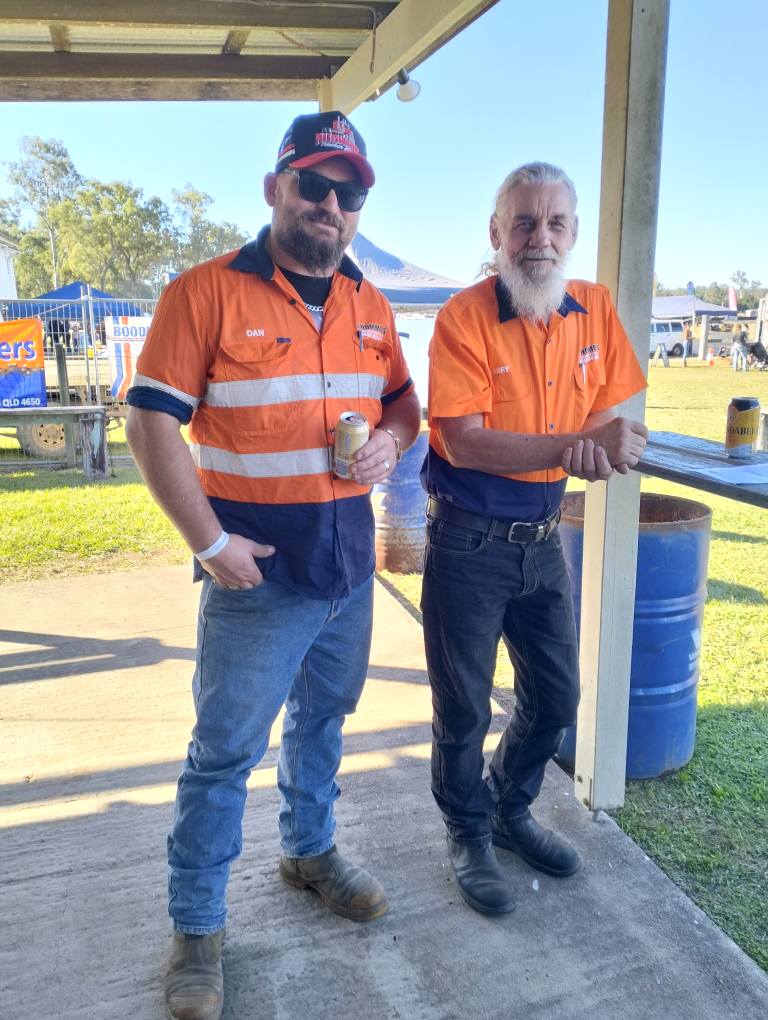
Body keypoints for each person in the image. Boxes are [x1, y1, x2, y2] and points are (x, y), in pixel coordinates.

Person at [125, 110, 421, 1020]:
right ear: (276, 190)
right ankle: (198, 928)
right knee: (222, 758)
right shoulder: (205, 292)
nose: (331, 205)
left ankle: (309, 850)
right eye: (315, 186)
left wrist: (389, 447)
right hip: (258, 583)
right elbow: (149, 422)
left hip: (347, 572)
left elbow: (406, 408)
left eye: (350, 193)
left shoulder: (372, 305)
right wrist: (210, 545)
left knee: (325, 723)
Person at [420, 162, 648, 916]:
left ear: (574, 233)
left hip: (544, 539)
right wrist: (570, 448)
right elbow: (464, 442)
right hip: (468, 544)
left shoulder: (595, 310)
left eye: (554, 224)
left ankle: (508, 808)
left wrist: (610, 445)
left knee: (556, 697)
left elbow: (613, 423)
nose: (538, 239)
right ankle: (467, 832)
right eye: (522, 223)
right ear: (496, 233)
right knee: (464, 709)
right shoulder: (463, 318)